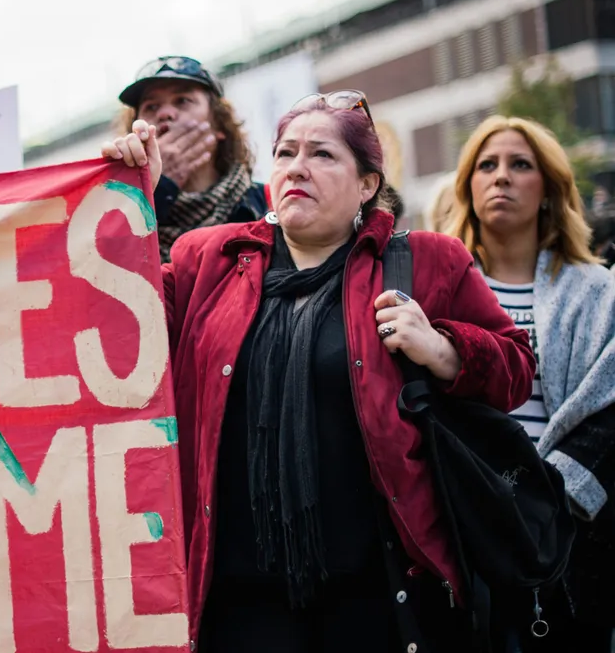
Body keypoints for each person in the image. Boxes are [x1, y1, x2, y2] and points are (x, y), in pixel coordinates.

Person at [104, 91, 535, 651]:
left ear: (367, 185)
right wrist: (128, 193)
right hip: (240, 605)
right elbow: (115, 315)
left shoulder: (427, 260)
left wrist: (443, 348)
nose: (297, 168)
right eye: (284, 153)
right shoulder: (205, 261)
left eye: (323, 155)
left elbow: (516, 369)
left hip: (376, 598)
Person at [446, 116, 615, 651]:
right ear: (467, 187)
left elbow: (608, 412)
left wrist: (542, 501)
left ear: (549, 191)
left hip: (568, 539)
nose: (502, 178)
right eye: (487, 165)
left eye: (521, 165)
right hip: (458, 529)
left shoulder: (599, 292)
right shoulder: (431, 286)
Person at [106, 55, 267, 261]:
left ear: (219, 124)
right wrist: (159, 187)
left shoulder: (267, 206)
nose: (165, 113)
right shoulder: (122, 218)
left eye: (183, 100)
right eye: (151, 107)